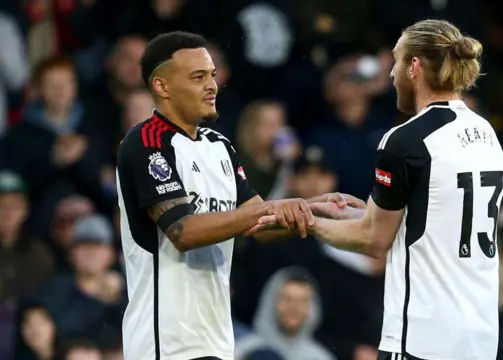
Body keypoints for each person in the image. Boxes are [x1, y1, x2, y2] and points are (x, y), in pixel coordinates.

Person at [256, 19, 503, 360]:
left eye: (397, 61)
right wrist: (351, 210)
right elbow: (428, 219)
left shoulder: (405, 139)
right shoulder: (486, 133)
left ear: (414, 66)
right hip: (479, 333)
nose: (390, 76)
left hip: (423, 335)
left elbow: (373, 240)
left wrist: (309, 221)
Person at [116, 31, 362, 360]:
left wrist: (316, 208)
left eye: (213, 76)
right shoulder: (146, 142)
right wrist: (277, 206)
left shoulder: (220, 146)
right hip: (166, 340)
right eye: (197, 76)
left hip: (216, 338)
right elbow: (183, 231)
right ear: (162, 86)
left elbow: (260, 224)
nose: (212, 86)